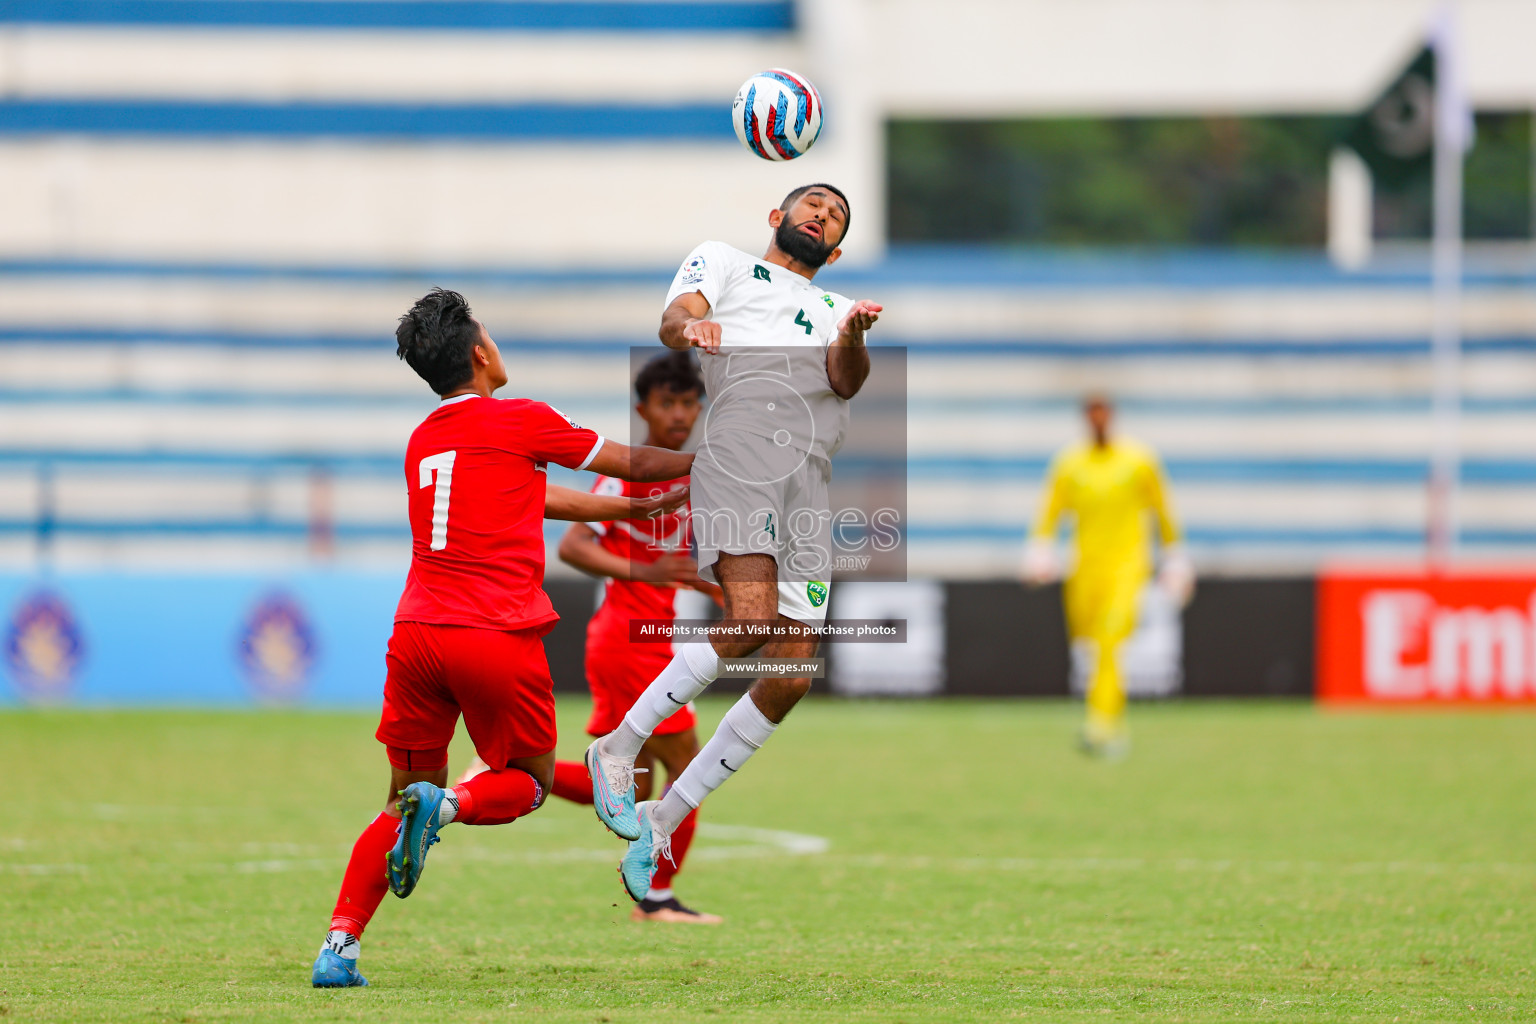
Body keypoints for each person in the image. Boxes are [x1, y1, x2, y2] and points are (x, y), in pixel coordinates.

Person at [311, 288, 695, 988]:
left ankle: (340, 946)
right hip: (494, 632)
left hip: (416, 635)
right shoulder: (523, 419)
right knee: (528, 782)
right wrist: (710, 464)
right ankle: (453, 804)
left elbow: (534, 496)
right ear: (482, 353)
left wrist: (641, 506)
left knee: (398, 800)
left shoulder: (426, 438)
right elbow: (632, 460)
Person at [583, 183, 883, 903]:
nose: (822, 213)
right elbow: (673, 318)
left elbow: (846, 382)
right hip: (741, 459)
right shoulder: (722, 262)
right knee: (747, 619)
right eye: (812, 203)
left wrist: (853, 337)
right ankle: (617, 748)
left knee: (791, 676)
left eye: (835, 215)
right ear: (777, 218)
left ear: (837, 249)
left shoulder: (840, 311)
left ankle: (665, 815)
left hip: (807, 481)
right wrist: (694, 330)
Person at [455, 350, 725, 924]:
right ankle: (655, 897)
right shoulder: (620, 476)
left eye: (687, 402)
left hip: (646, 638)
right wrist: (645, 574)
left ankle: (505, 774)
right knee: (688, 767)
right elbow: (574, 545)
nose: (678, 414)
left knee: (639, 775)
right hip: (628, 641)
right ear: (643, 409)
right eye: (666, 403)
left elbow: (672, 557)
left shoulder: (689, 475)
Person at [1023, 394, 1193, 758]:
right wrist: (1040, 549)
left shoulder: (1139, 461)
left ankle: (1103, 726)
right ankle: (1101, 713)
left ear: (1111, 417)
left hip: (1128, 566)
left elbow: (1163, 510)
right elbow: (1050, 511)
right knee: (1087, 644)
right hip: (1085, 567)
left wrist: (1175, 558)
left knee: (1110, 640)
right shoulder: (1070, 464)